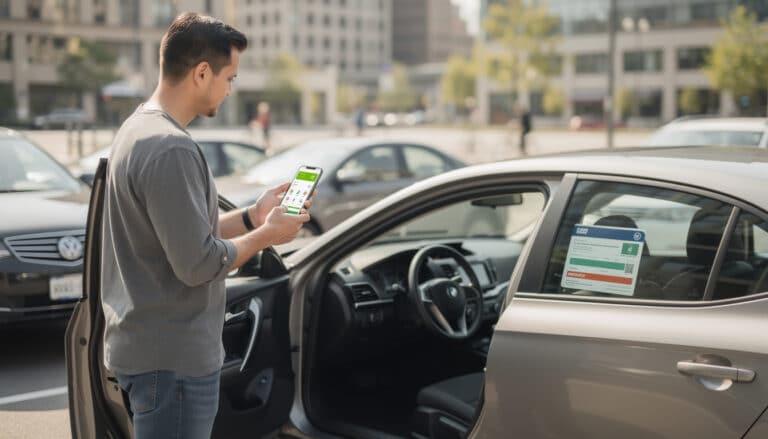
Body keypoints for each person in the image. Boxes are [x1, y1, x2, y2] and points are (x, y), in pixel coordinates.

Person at [101, 13, 311, 439]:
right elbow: (197, 263)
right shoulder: (171, 148)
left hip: (150, 354)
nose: (231, 88)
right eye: (229, 77)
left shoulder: (138, 129)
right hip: (172, 363)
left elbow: (182, 232)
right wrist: (268, 234)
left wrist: (252, 215)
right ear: (201, 73)